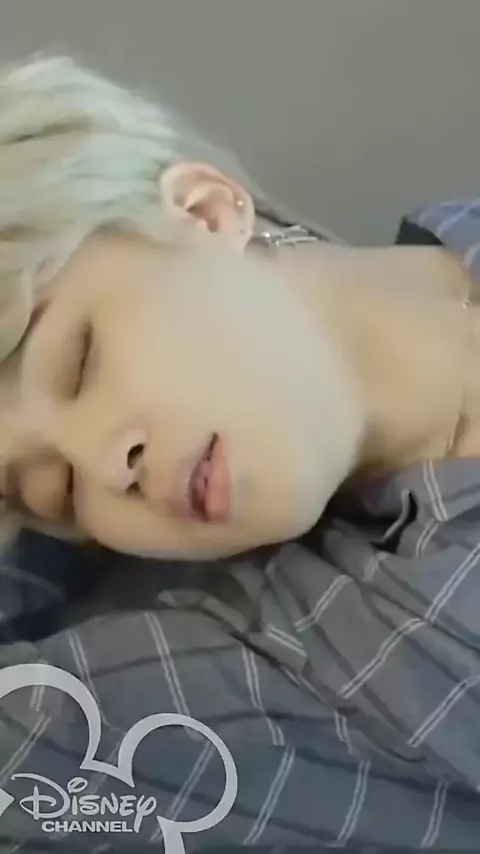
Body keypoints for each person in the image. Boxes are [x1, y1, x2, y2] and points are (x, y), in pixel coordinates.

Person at [1, 54, 480, 851]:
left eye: (80, 361)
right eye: (56, 490)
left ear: (205, 211)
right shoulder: (308, 665)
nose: (104, 466)